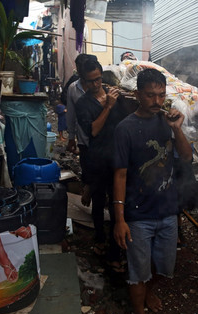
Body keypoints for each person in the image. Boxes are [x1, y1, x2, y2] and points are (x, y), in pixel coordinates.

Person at [113, 68, 192, 314]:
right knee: (138, 271)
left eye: (161, 95)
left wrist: (177, 129)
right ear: (137, 95)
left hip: (167, 211)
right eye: (150, 95)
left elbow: (186, 156)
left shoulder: (167, 122)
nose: (157, 101)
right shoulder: (125, 128)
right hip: (138, 214)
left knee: (164, 266)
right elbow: (120, 174)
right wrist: (119, 219)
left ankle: (149, 292)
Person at [75, 58, 125, 271]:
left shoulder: (114, 93)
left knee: (116, 204)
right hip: (97, 157)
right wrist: (108, 106)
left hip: (117, 156)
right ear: (83, 80)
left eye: (98, 79)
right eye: (90, 81)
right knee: (98, 200)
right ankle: (99, 238)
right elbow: (93, 130)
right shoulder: (83, 104)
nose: (96, 85)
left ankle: (115, 250)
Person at [65, 54, 97, 206]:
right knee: (87, 166)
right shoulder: (73, 88)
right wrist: (71, 138)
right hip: (83, 137)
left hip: (100, 139)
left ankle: (91, 191)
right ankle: (88, 188)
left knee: (98, 170)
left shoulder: (101, 87)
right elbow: (71, 114)